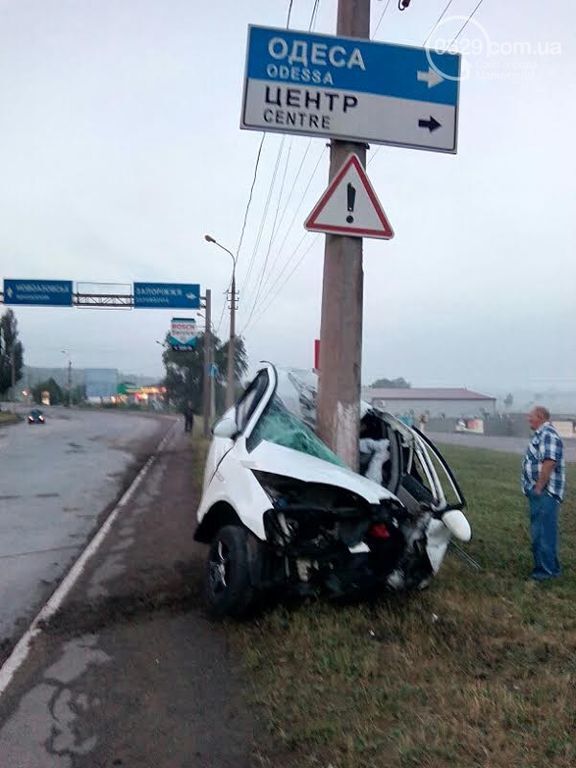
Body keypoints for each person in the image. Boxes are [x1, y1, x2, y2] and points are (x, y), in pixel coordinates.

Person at [521, 406, 565, 581]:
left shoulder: (547, 434)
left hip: (545, 493)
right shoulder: (542, 434)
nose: (528, 419)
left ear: (540, 416)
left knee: (543, 533)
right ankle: (551, 569)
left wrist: (539, 487)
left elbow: (549, 462)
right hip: (541, 492)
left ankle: (545, 573)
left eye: (531, 416)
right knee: (543, 532)